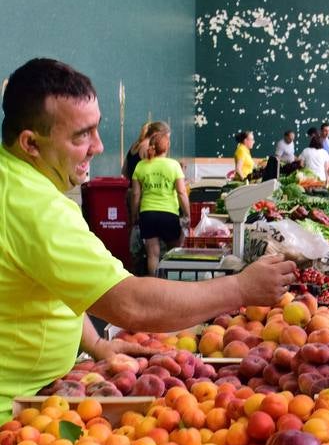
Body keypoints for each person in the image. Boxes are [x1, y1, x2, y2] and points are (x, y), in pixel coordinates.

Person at [0, 58, 296, 422]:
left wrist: (97, 344)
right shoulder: (34, 206)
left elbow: (57, 282)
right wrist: (240, 289)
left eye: (97, 129)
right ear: (30, 142)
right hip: (13, 415)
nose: (98, 146)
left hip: (45, 397)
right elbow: (131, 305)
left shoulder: (13, 182)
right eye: (81, 135)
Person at [131, 131, 190, 276]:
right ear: (167, 147)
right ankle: (171, 284)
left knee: (153, 255)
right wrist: (187, 214)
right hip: (169, 214)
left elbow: (136, 194)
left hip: (147, 214)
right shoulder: (174, 165)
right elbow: (182, 193)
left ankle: (154, 285)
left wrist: (134, 215)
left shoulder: (141, 166)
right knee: (172, 253)